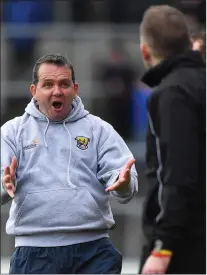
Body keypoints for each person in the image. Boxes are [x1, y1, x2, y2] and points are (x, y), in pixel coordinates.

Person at [1, 54, 138, 274]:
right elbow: (1, 181)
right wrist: (4, 186)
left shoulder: (99, 130)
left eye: (64, 84)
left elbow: (123, 179)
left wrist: (123, 185)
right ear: (34, 91)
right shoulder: (12, 132)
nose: (57, 91)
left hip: (93, 251)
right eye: (48, 84)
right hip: (33, 252)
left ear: (75, 89)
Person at [137, 5, 206, 274]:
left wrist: (163, 245)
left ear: (145, 51)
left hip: (182, 245)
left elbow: (177, 173)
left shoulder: (172, 93)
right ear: (189, 43)